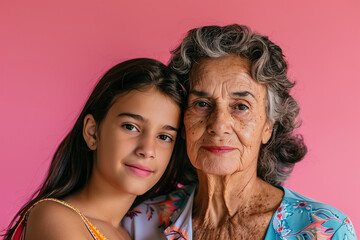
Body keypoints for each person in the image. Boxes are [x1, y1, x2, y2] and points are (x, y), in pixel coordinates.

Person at [122, 25, 357, 239]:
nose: (219, 125)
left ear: (268, 127)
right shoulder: (141, 224)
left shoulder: (325, 231)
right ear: (182, 122)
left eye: (241, 107)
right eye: (202, 104)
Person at [3, 58, 196, 240]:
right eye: (131, 127)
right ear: (92, 132)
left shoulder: (132, 233)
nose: (147, 149)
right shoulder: (54, 217)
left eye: (164, 137)